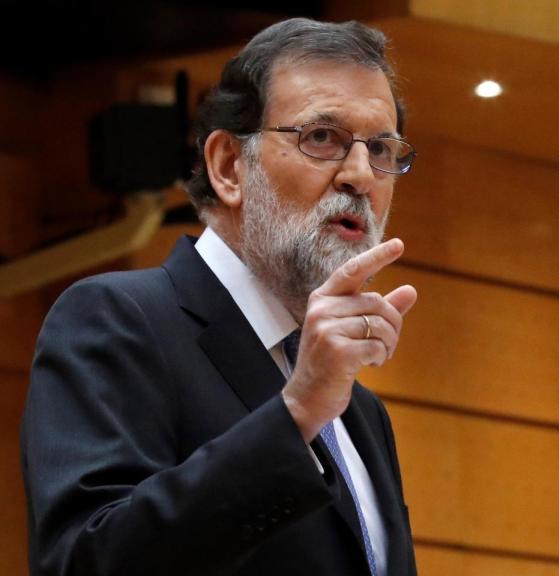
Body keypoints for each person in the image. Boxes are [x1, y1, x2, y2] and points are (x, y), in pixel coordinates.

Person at [21, 18, 419, 576]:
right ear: (230, 166)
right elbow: (83, 562)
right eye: (321, 138)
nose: (360, 175)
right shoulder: (119, 320)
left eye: (381, 148)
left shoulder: (360, 412)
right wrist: (296, 413)